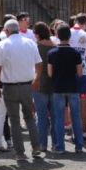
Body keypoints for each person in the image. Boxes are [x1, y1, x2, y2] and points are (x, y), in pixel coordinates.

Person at [0, 18, 42, 162]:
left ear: (7, 31)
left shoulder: (2, 45)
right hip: (27, 85)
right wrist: (37, 80)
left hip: (10, 86)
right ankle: (36, 146)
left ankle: (20, 152)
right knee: (29, 117)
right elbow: (39, 64)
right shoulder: (30, 43)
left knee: (14, 120)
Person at [47, 25, 85, 154]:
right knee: (76, 117)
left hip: (58, 87)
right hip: (73, 87)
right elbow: (80, 73)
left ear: (57, 35)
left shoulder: (51, 53)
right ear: (69, 36)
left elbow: (50, 73)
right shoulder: (75, 53)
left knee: (59, 118)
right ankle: (79, 145)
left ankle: (60, 146)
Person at [32, 22, 56, 153]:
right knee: (55, 116)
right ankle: (56, 143)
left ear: (38, 34)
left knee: (41, 117)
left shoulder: (36, 47)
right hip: (53, 84)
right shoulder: (55, 47)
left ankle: (42, 144)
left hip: (40, 83)